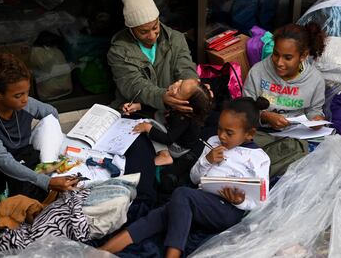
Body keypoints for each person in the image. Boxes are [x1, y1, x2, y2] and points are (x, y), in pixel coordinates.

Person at [99, 97, 271, 258]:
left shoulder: (259, 158)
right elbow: (195, 178)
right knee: (162, 213)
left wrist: (240, 201)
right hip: (202, 201)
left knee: (181, 194)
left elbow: (261, 200)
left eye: (229, 133)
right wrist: (206, 161)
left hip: (228, 211)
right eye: (219, 128)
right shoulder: (213, 141)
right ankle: (101, 251)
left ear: (249, 134)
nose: (222, 135)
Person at [0, 53, 78, 225]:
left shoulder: (26, 103)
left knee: (61, 186)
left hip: (21, 159)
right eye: (18, 95)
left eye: (27, 92)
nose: (25, 99)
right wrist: (47, 181)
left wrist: (42, 145)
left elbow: (51, 114)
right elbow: (3, 161)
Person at [108, 0, 199, 116]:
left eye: (155, 27)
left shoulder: (176, 39)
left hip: (172, 107)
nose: (151, 36)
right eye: (143, 32)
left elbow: (185, 68)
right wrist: (163, 96)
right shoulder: (119, 51)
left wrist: (193, 86)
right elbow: (134, 85)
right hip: (136, 108)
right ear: (131, 29)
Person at [243, 22, 327, 130]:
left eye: (287, 58)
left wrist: (317, 119)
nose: (279, 63)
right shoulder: (257, 72)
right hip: (263, 131)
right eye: (276, 54)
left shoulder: (315, 80)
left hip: (298, 133)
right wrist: (264, 116)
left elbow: (314, 110)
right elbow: (245, 109)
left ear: (303, 56)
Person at [129, 79, 213, 166]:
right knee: (159, 113)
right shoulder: (175, 101)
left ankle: (164, 155)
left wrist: (148, 128)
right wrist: (139, 106)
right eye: (181, 81)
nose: (176, 84)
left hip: (177, 147)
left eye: (179, 89)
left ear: (185, 105)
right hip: (173, 132)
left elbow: (168, 139)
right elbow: (158, 107)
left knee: (149, 124)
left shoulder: (183, 119)